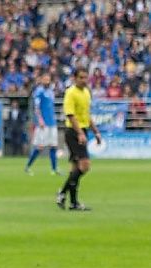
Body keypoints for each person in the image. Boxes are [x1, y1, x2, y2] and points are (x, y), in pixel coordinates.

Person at [56, 68, 101, 211]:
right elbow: (70, 115)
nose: (84, 80)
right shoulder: (70, 93)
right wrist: (80, 133)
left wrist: (96, 132)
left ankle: (73, 202)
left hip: (83, 131)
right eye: (81, 77)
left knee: (75, 168)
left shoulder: (86, 93)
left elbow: (87, 115)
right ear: (75, 78)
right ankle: (62, 192)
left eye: (86, 77)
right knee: (85, 165)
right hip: (73, 132)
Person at [25, 72, 60, 175]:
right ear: (41, 80)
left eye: (48, 79)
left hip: (52, 122)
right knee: (40, 147)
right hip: (43, 123)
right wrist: (39, 119)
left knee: (53, 146)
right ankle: (28, 167)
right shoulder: (39, 91)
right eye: (45, 79)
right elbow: (37, 107)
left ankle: (54, 169)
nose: (47, 81)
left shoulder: (50, 91)